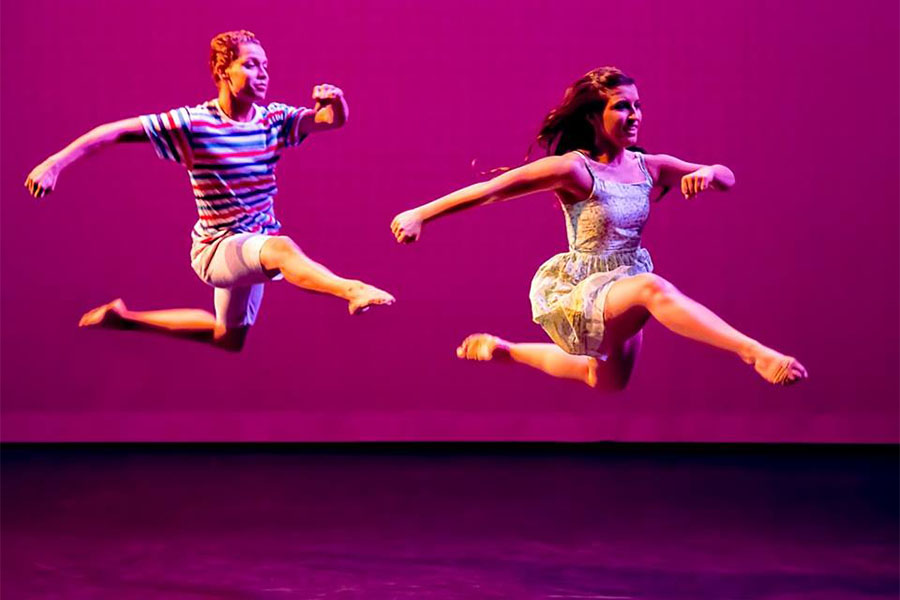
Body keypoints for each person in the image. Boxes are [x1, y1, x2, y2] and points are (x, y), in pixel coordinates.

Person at [391, 66, 807, 389]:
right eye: (622, 106)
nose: (635, 115)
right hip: (587, 293)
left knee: (604, 381)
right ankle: (754, 353)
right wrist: (420, 214)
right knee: (653, 289)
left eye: (638, 106)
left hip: (623, 283)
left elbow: (728, 178)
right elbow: (491, 190)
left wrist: (711, 172)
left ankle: (507, 351)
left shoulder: (650, 166)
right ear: (593, 115)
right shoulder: (574, 169)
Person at [25, 30, 394, 352]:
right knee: (281, 249)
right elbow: (113, 131)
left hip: (252, 244)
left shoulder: (273, 119)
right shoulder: (194, 124)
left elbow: (329, 121)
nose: (262, 74)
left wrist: (335, 103)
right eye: (250, 65)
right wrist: (54, 164)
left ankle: (123, 319)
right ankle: (351, 289)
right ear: (223, 71)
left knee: (228, 339)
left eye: (265, 66)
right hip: (217, 248)